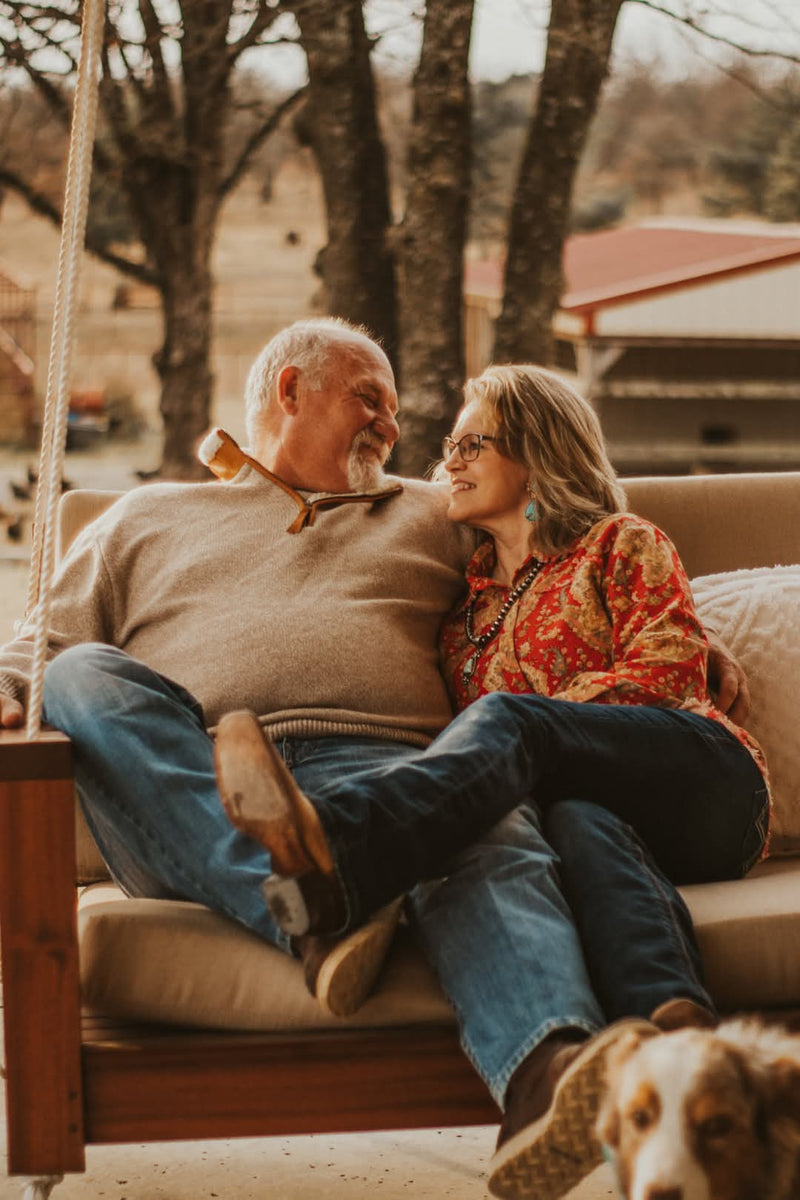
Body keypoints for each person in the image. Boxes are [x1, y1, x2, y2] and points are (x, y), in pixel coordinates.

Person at [0, 321, 750, 1199]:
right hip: (210, 783)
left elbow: (558, 542)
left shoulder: (435, 512)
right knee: (85, 676)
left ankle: (543, 1077)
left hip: (404, 773)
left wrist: (696, 640)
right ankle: (299, 892)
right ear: (288, 390)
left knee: (489, 819)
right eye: (369, 399)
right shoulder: (144, 518)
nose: (392, 428)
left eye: (396, 412)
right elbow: (40, 647)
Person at [210, 362, 769, 1200]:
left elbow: (662, 679)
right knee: (577, 817)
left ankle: (344, 850)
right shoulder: (464, 613)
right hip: (598, 825)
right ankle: (675, 1039)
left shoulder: (619, 543)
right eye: (447, 449)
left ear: (539, 454)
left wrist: (528, 731)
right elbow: (352, 488)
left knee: (510, 724)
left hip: (703, 782)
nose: (450, 463)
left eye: (474, 443)